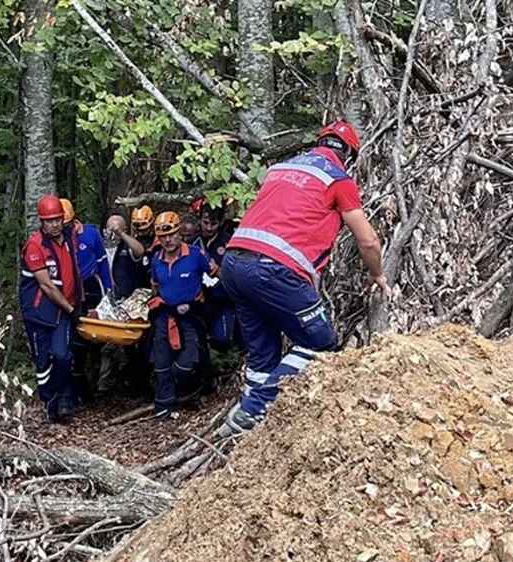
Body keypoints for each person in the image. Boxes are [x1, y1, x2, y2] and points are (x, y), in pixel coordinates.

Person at [220, 121, 390, 433]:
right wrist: (377, 274)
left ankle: (247, 427)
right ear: (350, 154)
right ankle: (254, 408)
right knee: (319, 342)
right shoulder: (339, 180)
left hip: (233, 263)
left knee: (262, 353)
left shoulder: (280, 169)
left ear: (320, 143)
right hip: (274, 270)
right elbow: (368, 241)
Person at [19, 195, 83, 424]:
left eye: (57, 219)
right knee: (43, 364)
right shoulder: (35, 247)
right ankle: (51, 403)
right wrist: (70, 307)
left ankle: (58, 397)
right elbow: (46, 285)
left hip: (63, 313)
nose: (54, 224)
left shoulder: (69, 239)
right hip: (40, 313)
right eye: (49, 220)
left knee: (63, 356)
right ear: (42, 222)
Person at [148, 212, 219, 418]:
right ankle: (163, 409)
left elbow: (218, 273)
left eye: (171, 234)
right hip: (165, 316)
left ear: (179, 233)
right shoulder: (156, 260)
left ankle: (194, 389)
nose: (168, 240)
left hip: (191, 316)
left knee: (187, 363)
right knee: (161, 363)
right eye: (162, 236)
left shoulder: (196, 255)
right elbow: (155, 287)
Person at [61, 199, 111, 403]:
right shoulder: (58, 241)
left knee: (95, 340)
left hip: (92, 288)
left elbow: (102, 262)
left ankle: (98, 384)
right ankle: (78, 389)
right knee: (75, 341)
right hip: (69, 292)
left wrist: (109, 290)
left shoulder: (90, 234)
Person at [188, 202, 236, 352]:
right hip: (198, 300)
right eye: (205, 223)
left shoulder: (229, 242)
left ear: (221, 222)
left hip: (223, 300)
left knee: (222, 340)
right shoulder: (191, 244)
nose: (209, 228)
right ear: (199, 220)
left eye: (213, 224)